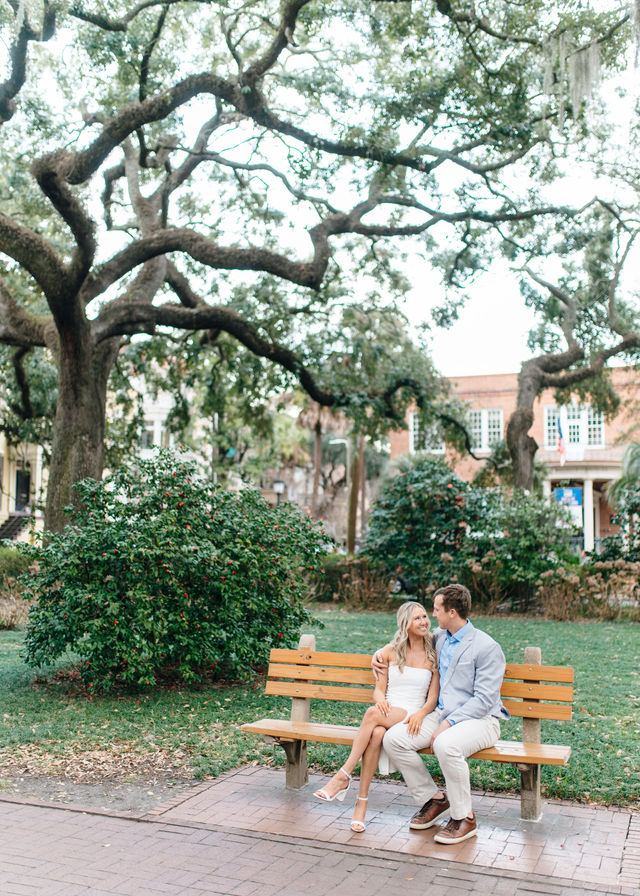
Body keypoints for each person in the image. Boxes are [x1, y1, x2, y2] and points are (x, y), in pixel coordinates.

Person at [374, 583, 509, 845]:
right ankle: (434, 799)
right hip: (441, 714)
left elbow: (485, 700)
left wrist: (448, 723)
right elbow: (405, 641)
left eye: (437, 610)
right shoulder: (440, 636)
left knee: (446, 745)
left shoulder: (486, 647)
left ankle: (464, 818)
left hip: (481, 720)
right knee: (394, 740)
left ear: (452, 612)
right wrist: (377, 655)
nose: (433, 615)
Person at [313, 601, 440, 833]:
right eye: (417, 618)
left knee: (372, 714)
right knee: (377, 733)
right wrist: (380, 700)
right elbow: (379, 690)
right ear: (405, 624)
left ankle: (343, 774)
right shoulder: (389, 652)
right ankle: (361, 805)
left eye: (424, 616)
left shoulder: (434, 654)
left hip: (410, 713)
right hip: (388, 710)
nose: (424, 622)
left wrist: (421, 714)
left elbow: (432, 698)